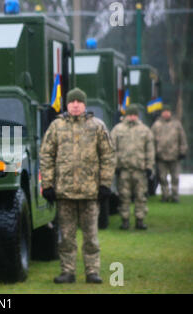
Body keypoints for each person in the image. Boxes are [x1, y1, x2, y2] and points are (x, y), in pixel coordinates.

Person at [39, 88, 115, 284]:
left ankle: (92, 271)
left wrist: (106, 184)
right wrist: (47, 184)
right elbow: (46, 155)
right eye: (71, 102)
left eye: (78, 102)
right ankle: (67, 271)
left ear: (84, 104)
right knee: (66, 237)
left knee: (91, 237)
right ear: (67, 104)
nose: (75, 105)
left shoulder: (97, 126)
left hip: (90, 192)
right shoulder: (56, 126)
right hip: (64, 193)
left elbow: (108, 156)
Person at [111, 104, 155, 230]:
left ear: (137, 116)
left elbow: (150, 150)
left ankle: (140, 220)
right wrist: (115, 166)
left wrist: (149, 167)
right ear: (126, 116)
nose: (132, 117)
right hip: (124, 170)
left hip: (140, 170)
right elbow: (112, 149)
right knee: (124, 196)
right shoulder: (117, 130)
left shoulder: (145, 130)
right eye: (130, 115)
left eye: (134, 115)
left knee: (140, 196)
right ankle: (125, 221)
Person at [151, 105, 188, 203]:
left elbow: (182, 139)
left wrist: (182, 152)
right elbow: (151, 141)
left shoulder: (177, 124)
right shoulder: (156, 125)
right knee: (162, 178)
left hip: (174, 156)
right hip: (161, 156)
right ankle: (165, 196)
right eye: (164, 111)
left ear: (170, 113)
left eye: (168, 111)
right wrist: (153, 153)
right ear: (162, 113)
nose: (166, 113)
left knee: (175, 178)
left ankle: (175, 196)